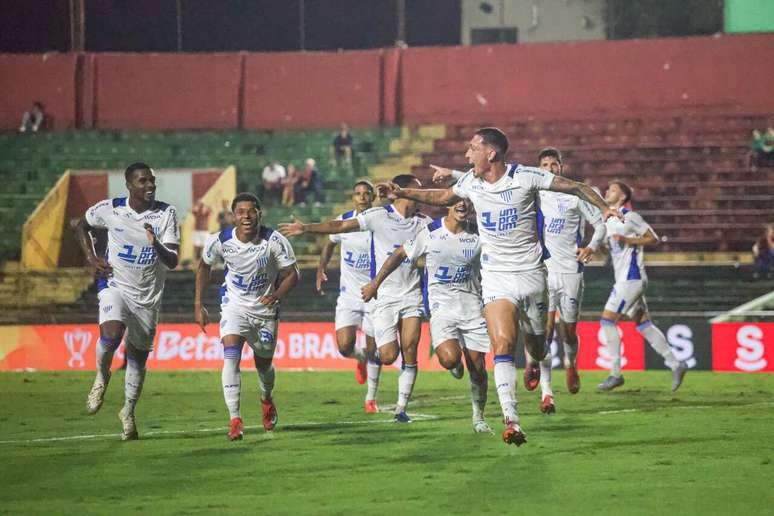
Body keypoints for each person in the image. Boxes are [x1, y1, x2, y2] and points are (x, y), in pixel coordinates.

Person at [381, 127, 620, 445]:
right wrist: (403, 192)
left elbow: (577, 187)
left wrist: (603, 208)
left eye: (473, 148)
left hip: (532, 275)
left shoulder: (526, 177)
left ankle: (535, 361)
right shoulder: (471, 182)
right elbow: (442, 197)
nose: (467, 154)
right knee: (503, 345)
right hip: (496, 277)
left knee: (537, 347)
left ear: (491, 153)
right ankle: (512, 421)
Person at [280, 174, 433, 423]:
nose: (421, 196)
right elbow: (339, 228)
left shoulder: (425, 222)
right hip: (379, 295)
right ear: (404, 192)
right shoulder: (378, 216)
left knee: (410, 349)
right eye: (416, 191)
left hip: (411, 296)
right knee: (386, 355)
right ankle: (367, 361)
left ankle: (399, 408)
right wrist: (307, 228)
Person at [363, 199, 494, 433]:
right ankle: (454, 363)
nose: (463, 205)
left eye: (467, 202)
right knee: (449, 359)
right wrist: (375, 283)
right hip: (442, 308)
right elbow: (399, 253)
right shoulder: (431, 232)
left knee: (478, 369)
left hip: (472, 308)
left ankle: (478, 417)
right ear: (448, 206)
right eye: (457, 202)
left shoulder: (480, 233)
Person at [75, 162, 180, 440]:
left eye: (152, 180)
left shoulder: (166, 213)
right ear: (129, 185)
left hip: (148, 297)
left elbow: (172, 261)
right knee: (111, 335)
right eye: (143, 181)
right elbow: (81, 226)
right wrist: (92, 258)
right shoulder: (110, 209)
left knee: (138, 357)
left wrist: (155, 243)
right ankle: (101, 376)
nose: (150, 185)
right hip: (115, 285)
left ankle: (128, 412)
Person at [195, 193, 300, 441]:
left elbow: (293, 274)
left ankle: (266, 398)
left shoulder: (274, 241)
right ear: (233, 216)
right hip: (234, 306)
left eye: (251, 211)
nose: (246, 216)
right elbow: (203, 267)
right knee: (231, 356)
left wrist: (276, 295)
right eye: (241, 212)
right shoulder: (220, 241)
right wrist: (198, 304)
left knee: (263, 364)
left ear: (259, 214)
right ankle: (235, 419)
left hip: (265, 310)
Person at [595, 180, 688, 392]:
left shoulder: (631, 217)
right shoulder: (608, 220)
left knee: (607, 320)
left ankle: (615, 374)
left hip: (631, 278)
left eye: (613, 189)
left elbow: (653, 238)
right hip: (625, 278)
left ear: (622, 196)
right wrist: (602, 247)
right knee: (643, 324)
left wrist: (628, 240)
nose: (607, 191)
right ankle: (676, 363)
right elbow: (611, 252)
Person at [316, 180, 382, 412]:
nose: (362, 197)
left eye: (366, 193)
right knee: (344, 347)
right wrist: (321, 268)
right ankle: (359, 358)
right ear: (353, 197)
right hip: (349, 296)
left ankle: (371, 399)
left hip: (375, 296)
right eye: (358, 193)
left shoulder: (381, 221)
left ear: (373, 197)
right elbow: (329, 242)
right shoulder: (344, 221)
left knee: (375, 349)